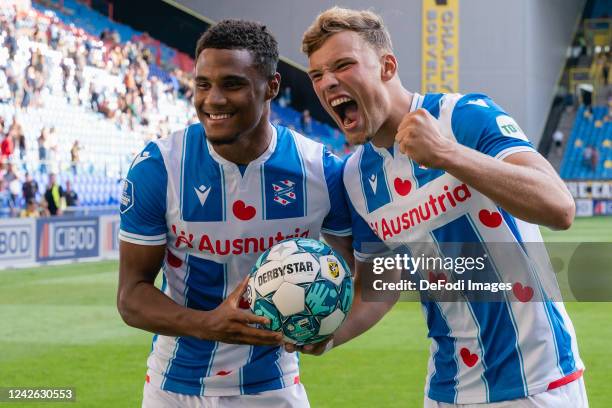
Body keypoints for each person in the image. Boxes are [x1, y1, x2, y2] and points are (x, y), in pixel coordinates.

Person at [295, 7, 587, 408]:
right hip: (447, 390)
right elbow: (381, 284)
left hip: (539, 383)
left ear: (386, 66)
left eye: (343, 65)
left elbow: (559, 207)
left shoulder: (463, 116)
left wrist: (448, 154)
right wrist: (327, 336)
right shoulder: (355, 179)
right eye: (317, 75)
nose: (328, 82)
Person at [116, 20, 352, 408]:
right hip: (172, 390)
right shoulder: (160, 166)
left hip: (273, 389)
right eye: (203, 84)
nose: (213, 100)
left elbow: (363, 267)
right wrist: (210, 324)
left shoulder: (321, 170)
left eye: (233, 84)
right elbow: (130, 296)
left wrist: (331, 326)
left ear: (271, 87)